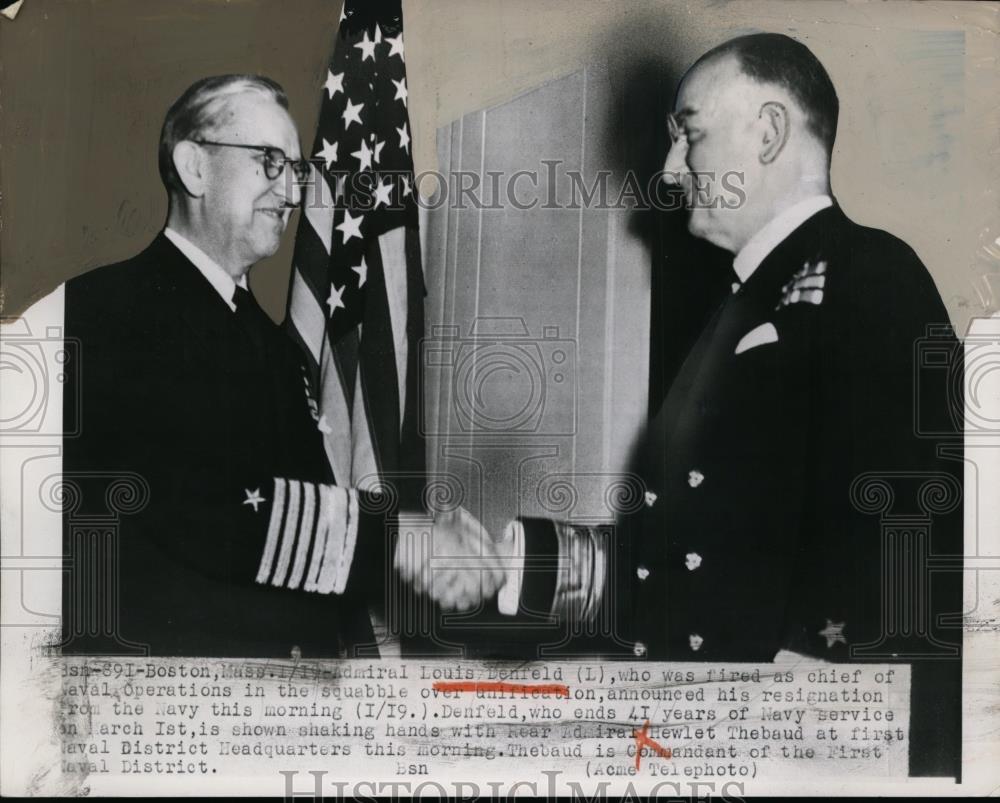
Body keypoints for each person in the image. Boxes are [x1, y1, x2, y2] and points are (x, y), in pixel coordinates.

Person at [399, 34, 963, 768]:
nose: (669, 172)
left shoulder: (870, 275)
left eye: (689, 135)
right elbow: (684, 550)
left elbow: (906, 527)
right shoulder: (734, 305)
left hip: (802, 743)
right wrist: (511, 563)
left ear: (768, 133)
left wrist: (801, 735)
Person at [58, 74, 498, 658]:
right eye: (269, 161)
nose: (291, 192)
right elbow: (201, 505)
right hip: (175, 698)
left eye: (296, 169)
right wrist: (400, 542)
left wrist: (430, 545)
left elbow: (298, 504)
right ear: (194, 168)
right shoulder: (107, 311)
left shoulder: (272, 345)